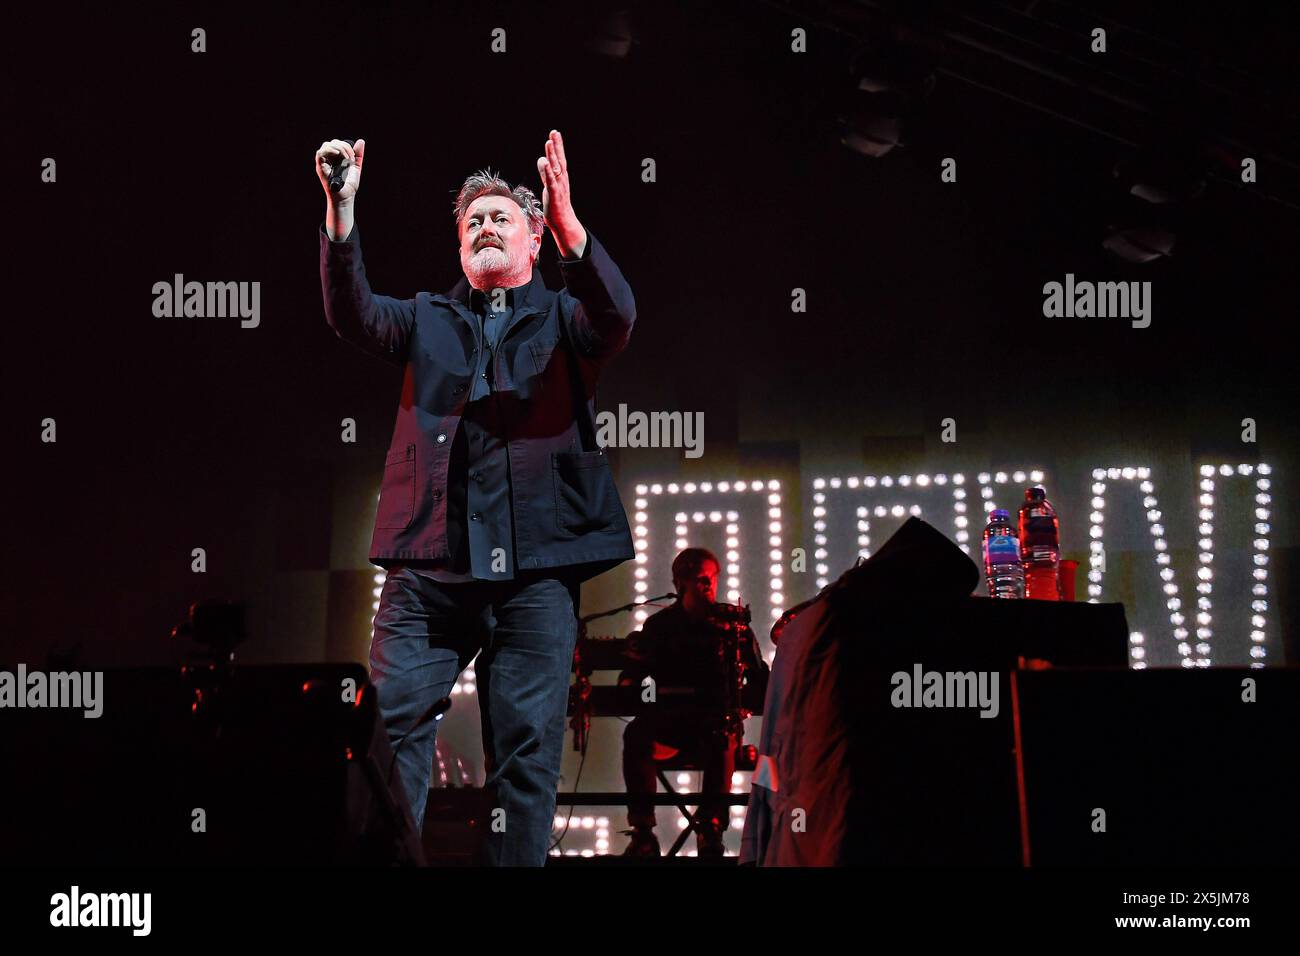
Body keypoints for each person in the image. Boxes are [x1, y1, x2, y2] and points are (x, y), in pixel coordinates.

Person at [316, 131, 636, 866]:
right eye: (472, 223)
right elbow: (352, 312)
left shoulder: (565, 317)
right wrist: (342, 212)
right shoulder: (426, 316)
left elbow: (617, 315)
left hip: (536, 573)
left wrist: (571, 229)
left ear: (532, 239)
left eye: (501, 218)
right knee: (389, 736)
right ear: (461, 249)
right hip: (428, 572)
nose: (485, 227)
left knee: (526, 756)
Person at [618, 548, 767, 858]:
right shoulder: (658, 627)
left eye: (710, 578)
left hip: (713, 731)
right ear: (679, 582)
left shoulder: (732, 626)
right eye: (699, 578)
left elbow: (760, 678)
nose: (707, 585)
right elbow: (634, 675)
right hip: (668, 728)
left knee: (723, 735)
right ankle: (643, 832)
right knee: (636, 734)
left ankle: (711, 828)